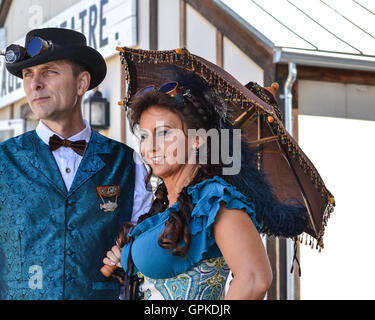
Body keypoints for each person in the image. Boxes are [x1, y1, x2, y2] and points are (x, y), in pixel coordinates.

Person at [103, 66, 308, 300]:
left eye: (164, 133)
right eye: (144, 136)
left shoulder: (215, 200)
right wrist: (126, 258)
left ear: (197, 140)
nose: (151, 147)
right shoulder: (166, 208)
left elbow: (254, 280)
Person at [0, 28, 152, 300]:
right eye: (27, 74)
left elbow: (149, 258)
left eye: (49, 71)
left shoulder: (128, 164)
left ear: (82, 84)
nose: (34, 84)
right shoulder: (3, 160)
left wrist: (131, 257)